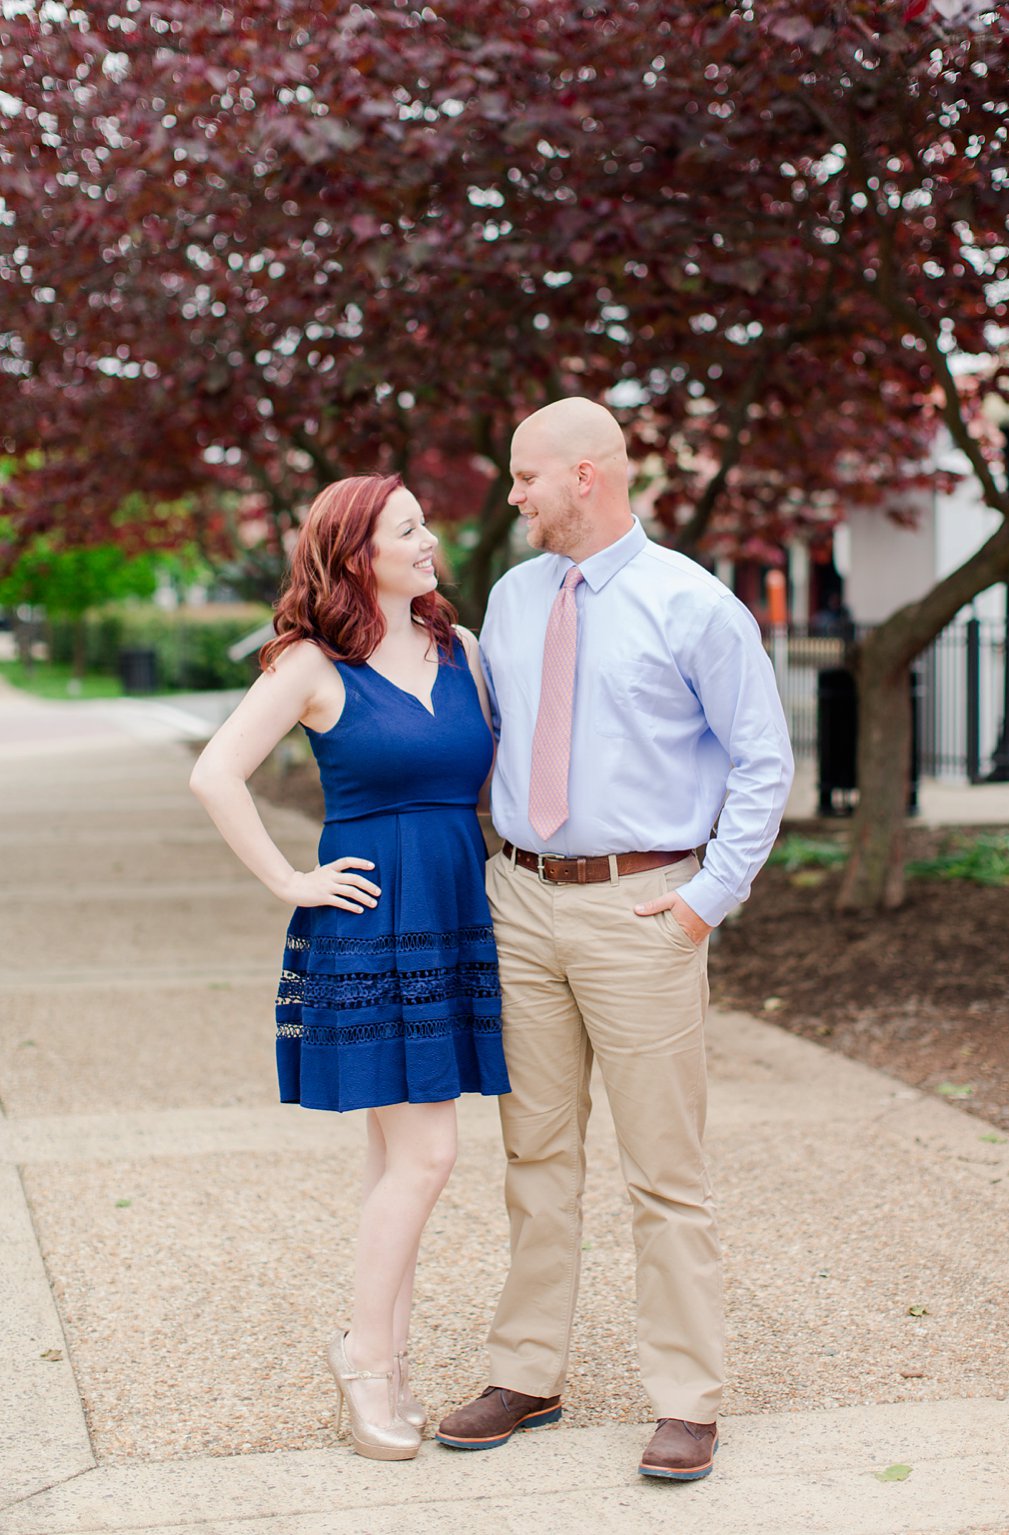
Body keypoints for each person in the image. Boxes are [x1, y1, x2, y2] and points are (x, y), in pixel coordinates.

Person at [433, 397, 794, 1482]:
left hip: (641, 908)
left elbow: (762, 763)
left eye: (524, 477)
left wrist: (701, 901)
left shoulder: (694, 604)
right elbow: (491, 730)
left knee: (663, 1169)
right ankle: (526, 1369)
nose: (513, 496)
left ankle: (686, 1396)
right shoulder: (510, 594)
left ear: (585, 473)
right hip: (524, 901)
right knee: (533, 1152)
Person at [190, 473, 508, 1461]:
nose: (429, 539)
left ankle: (388, 1361)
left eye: (422, 523)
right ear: (356, 553)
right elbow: (214, 772)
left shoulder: (466, 650)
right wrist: (292, 878)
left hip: (455, 912)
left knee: (394, 1157)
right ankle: (365, 1361)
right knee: (427, 1154)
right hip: (369, 923)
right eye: (405, 528)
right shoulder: (311, 664)